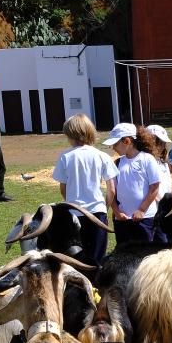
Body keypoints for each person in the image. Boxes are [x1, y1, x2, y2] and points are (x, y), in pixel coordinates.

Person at [52, 113, 116, 265]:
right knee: (97, 258)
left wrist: (70, 202)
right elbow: (111, 189)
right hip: (97, 214)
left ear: (71, 134)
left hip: (74, 213)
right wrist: (104, 208)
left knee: (76, 259)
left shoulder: (65, 156)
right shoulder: (102, 156)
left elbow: (63, 188)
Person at [103, 123, 166, 247]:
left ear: (127, 141)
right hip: (122, 221)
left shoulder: (147, 159)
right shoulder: (117, 163)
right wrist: (117, 212)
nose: (112, 147)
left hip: (145, 219)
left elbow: (154, 187)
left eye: (115, 144)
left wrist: (141, 210)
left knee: (145, 254)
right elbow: (113, 191)